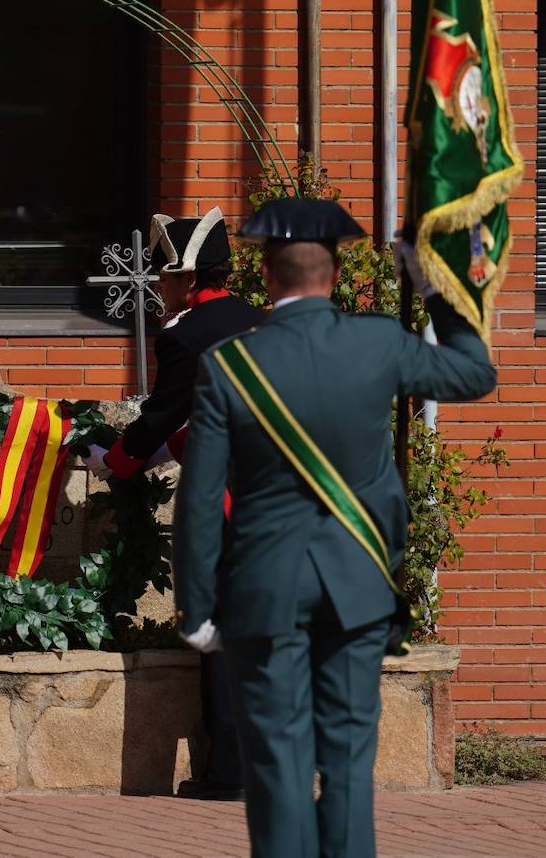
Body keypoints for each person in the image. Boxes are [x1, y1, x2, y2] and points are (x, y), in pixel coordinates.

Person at [172, 198, 496, 857]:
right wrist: (434, 285)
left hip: (264, 589)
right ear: (331, 270)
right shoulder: (378, 342)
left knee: (278, 765)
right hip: (357, 584)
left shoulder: (227, 365)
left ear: (267, 273)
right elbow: (474, 371)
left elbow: (200, 499)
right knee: (347, 763)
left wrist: (197, 608)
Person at [83, 207, 261, 800]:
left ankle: (231, 773)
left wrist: (117, 461)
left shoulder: (185, 334)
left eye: (164, 273)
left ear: (187, 277)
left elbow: (163, 414)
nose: (158, 283)